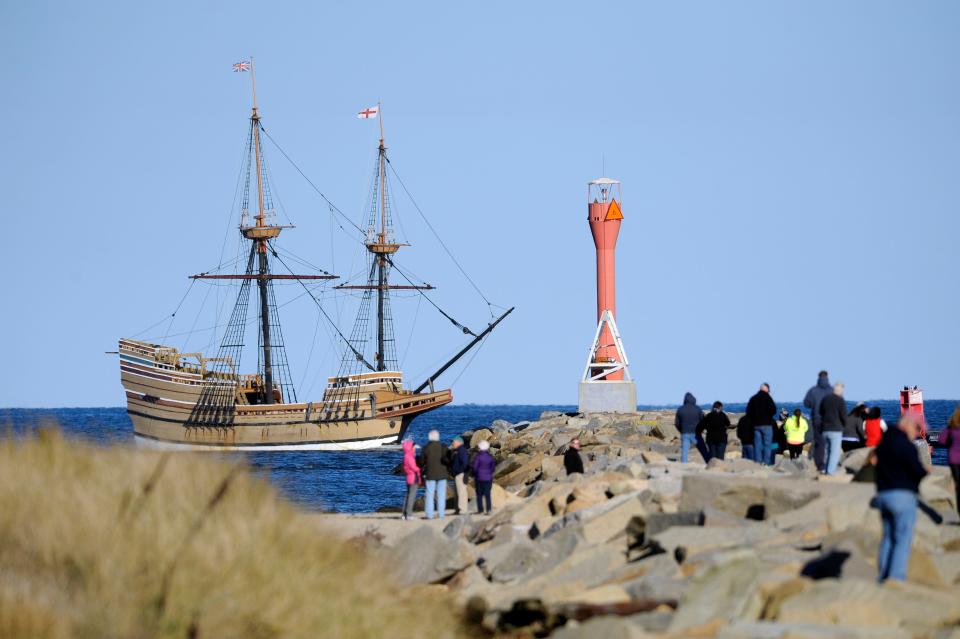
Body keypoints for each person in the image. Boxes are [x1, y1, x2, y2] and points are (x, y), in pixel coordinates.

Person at [870, 415, 928, 582]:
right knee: (902, 538)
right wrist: (925, 471)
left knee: (888, 537)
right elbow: (916, 470)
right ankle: (896, 578)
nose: (917, 433)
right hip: (903, 495)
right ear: (908, 425)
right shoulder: (905, 445)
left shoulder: (884, 442)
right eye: (917, 428)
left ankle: (882, 576)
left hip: (884, 494)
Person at [804, 371, 833, 471]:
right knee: (829, 442)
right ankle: (829, 464)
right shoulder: (831, 390)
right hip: (829, 420)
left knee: (819, 442)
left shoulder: (813, 390)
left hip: (817, 419)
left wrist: (814, 405)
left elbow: (806, 403)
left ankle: (819, 464)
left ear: (819, 377)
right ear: (827, 377)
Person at [419, 429, 449, 520]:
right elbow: (448, 459)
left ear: (429, 438)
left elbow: (421, 462)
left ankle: (429, 514)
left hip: (430, 473)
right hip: (442, 474)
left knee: (429, 494)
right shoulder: (443, 447)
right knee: (441, 494)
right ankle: (441, 514)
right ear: (438, 437)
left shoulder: (426, 448)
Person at [819, 383, 847, 475]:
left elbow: (820, 412)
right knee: (834, 452)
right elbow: (843, 416)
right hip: (836, 429)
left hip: (825, 429)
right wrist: (844, 426)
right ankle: (830, 471)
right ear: (841, 390)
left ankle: (824, 469)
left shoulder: (825, 399)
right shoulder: (840, 400)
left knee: (826, 451)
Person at [746, 383, 777, 465]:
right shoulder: (768, 398)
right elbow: (774, 410)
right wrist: (768, 416)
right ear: (767, 389)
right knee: (767, 445)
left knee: (757, 445)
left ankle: (757, 462)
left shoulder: (753, 398)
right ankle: (766, 463)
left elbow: (748, 412)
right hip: (767, 424)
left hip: (756, 425)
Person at [937, 406, 960, 515]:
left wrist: (951, 443)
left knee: (958, 485)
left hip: (954, 459)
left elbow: (941, 440)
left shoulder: (952, 426)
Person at [675, 392, 705, 463]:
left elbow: (677, 423)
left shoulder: (680, 409)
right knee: (703, 450)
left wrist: (681, 430)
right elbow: (703, 422)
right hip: (696, 433)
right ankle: (709, 462)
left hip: (685, 432)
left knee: (684, 451)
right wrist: (700, 430)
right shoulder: (698, 409)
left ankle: (684, 465)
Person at [471, 439, 496, 515]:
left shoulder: (478, 457)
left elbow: (475, 467)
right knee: (487, 494)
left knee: (479, 495)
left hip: (479, 478)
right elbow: (493, 468)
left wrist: (475, 474)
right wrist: (489, 473)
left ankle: (480, 510)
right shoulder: (490, 457)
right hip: (488, 478)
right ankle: (488, 509)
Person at [449, 436, 470, 515]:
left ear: (459, 442)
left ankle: (462, 510)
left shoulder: (462, 451)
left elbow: (465, 463)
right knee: (458, 493)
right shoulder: (458, 451)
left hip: (460, 474)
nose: (452, 443)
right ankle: (458, 509)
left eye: (453, 441)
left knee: (461, 493)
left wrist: (458, 471)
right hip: (457, 474)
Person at [401, 439, 421, 520]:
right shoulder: (410, 456)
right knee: (411, 496)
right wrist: (419, 469)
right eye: (413, 446)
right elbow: (413, 467)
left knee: (408, 496)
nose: (414, 448)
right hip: (413, 478)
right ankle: (409, 514)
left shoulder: (406, 456)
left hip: (409, 478)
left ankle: (404, 514)